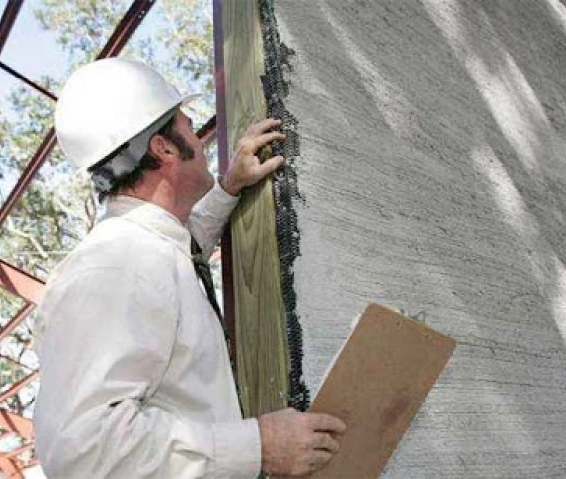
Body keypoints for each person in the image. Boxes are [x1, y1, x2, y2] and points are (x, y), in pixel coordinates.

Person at [33, 58, 346, 478]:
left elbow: (180, 252)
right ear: (164, 147)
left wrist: (229, 187)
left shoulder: (145, 253)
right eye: (188, 125)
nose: (200, 141)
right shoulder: (114, 268)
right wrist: (260, 446)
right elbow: (84, 449)